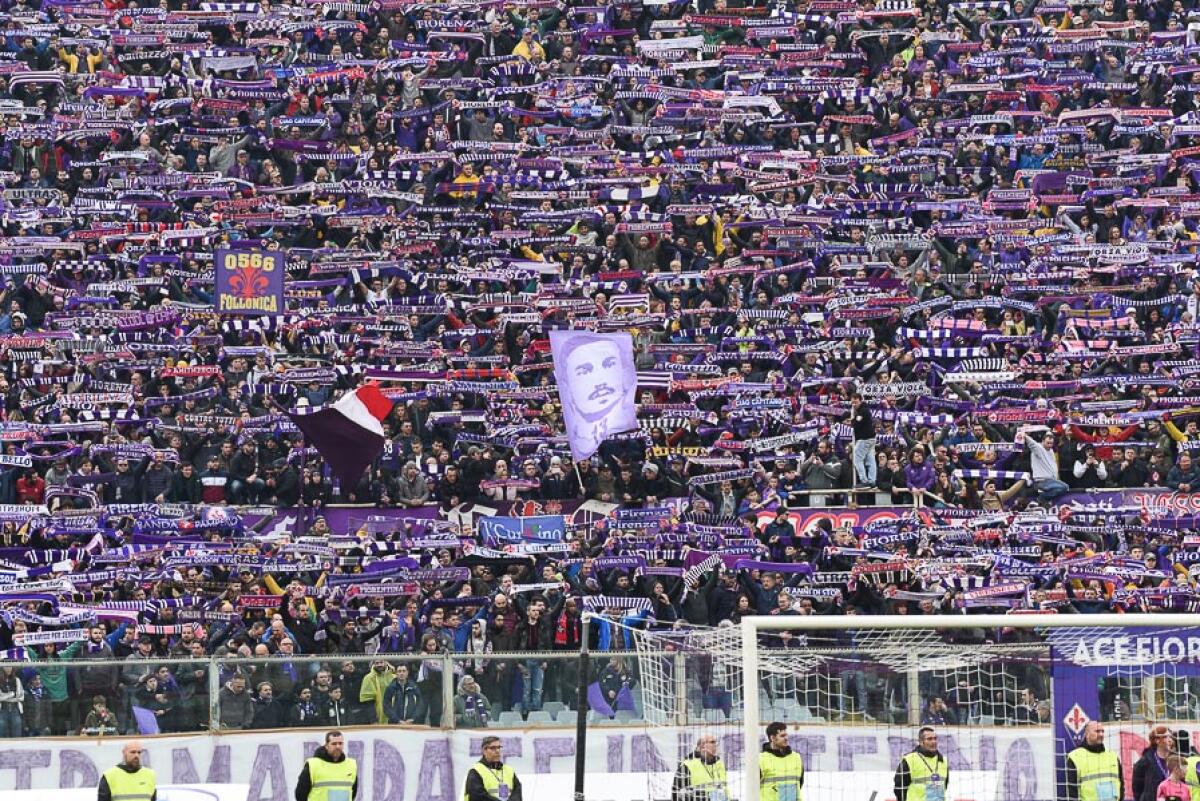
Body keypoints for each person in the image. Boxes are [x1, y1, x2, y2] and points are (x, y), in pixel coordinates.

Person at [552, 331, 636, 460]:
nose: (600, 381)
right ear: (568, 383)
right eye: (584, 371)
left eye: (609, 364)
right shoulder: (577, 437)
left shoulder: (628, 426)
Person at [295, 730, 358, 801]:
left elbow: (353, 792)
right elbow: (300, 794)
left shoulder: (351, 765)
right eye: (334, 744)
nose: (338, 746)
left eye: (340, 743)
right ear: (327, 746)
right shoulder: (313, 765)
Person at [1066, 721, 1122, 801]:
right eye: (1097, 731)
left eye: (1102, 731)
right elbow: (1072, 790)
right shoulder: (1075, 756)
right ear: (1087, 734)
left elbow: (1121, 784)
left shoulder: (1113, 756)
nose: (1101, 734)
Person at [894, 727, 949, 801]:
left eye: (935, 738)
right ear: (920, 742)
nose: (933, 742)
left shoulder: (943, 761)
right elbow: (899, 789)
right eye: (929, 739)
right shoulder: (909, 760)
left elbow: (944, 786)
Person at [464, 735, 523, 801]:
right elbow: (477, 796)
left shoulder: (509, 770)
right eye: (493, 748)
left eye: (499, 747)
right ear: (484, 751)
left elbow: (517, 793)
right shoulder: (476, 771)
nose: (497, 751)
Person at [672, 734, 729, 801]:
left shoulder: (719, 764)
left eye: (715, 742)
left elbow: (725, 791)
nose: (716, 745)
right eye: (712, 742)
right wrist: (707, 798)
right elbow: (676, 794)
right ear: (702, 746)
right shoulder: (687, 766)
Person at [759, 721, 804, 801]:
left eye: (786, 735)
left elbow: (800, 783)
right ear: (772, 738)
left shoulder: (796, 757)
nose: (786, 738)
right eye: (782, 736)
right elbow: (752, 788)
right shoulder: (761, 759)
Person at [1134, 725, 1175, 801]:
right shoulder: (1145, 762)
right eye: (1166, 737)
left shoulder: (1176, 760)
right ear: (1157, 740)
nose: (1170, 740)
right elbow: (1137, 787)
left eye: (1171, 737)